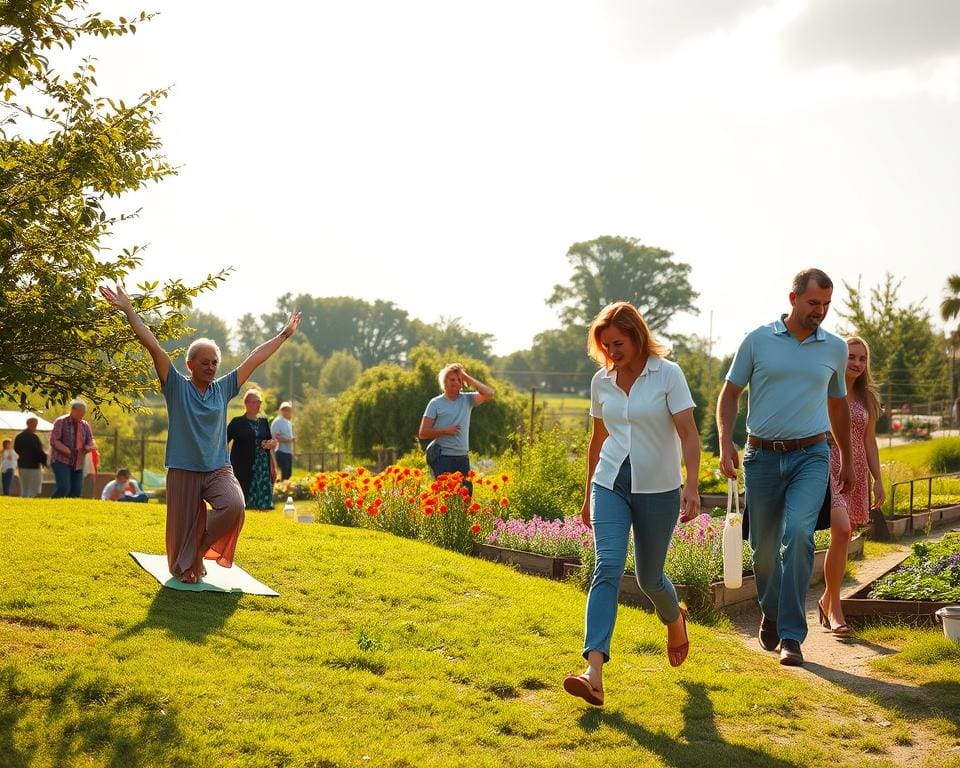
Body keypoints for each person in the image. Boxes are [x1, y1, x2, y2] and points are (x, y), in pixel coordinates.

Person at [100, 283, 301, 583]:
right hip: (183, 469)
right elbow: (153, 346)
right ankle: (189, 557)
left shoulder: (222, 389)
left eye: (214, 363)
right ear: (190, 365)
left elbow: (254, 358)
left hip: (218, 467)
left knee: (234, 506)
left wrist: (284, 335)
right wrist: (129, 310)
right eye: (204, 362)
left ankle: (199, 550)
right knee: (180, 568)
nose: (210, 366)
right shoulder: (176, 386)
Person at [563, 301, 701, 707]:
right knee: (606, 566)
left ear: (637, 335)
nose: (612, 352)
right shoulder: (601, 381)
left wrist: (691, 485)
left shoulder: (667, 375)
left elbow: (689, 434)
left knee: (650, 578)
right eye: (605, 346)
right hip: (610, 482)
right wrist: (588, 492)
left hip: (658, 487)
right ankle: (594, 672)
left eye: (618, 343)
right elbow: (598, 438)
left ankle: (675, 619)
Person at [716, 268, 854, 667]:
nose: (821, 311)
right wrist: (726, 442)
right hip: (760, 457)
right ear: (793, 298)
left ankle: (792, 635)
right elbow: (729, 395)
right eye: (814, 303)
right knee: (761, 551)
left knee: (798, 536)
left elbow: (838, 404)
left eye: (827, 304)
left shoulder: (834, 348)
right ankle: (773, 611)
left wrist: (844, 453)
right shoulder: (758, 340)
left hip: (811, 455)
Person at [819, 337, 884, 634]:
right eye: (851, 357)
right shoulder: (823, 389)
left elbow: (869, 441)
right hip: (827, 468)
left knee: (843, 538)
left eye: (862, 358)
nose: (857, 363)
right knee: (842, 532)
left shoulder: (867, 398)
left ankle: (826, 599)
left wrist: (878, 480)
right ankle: (836, 608)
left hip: (856, 472)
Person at [418, 363, 494, 497]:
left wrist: (465, 376)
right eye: (452, 379)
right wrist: (445, 431)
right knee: (445, 499)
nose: (455, 382)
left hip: (462, 458)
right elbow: (423, 433)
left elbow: (489, 393)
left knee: (466, 497)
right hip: (442, 458)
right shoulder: (435, 403)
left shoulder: (467, 399)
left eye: (459, 380)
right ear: (444, 382)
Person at [228, 389, 279, 510]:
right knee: (244, 498)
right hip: (243, 466)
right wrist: (225, 462)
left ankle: (263, 510)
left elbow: (270, 440)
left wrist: (272, 446)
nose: (258, 405)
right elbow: (223, 441)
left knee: (264, 503)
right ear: (247, 404)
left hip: (262, 466)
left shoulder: (264, 422)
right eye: (255, 402)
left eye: (260, 402)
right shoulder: (237, 422)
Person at [49, 400, 96, 498]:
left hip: (78, 462)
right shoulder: (60, 422)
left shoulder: (85, 425)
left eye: (83, 414)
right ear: (73, 410)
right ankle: (53, 505)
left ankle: (69, 510)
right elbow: (54, 440)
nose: (81, 416)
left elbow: (90, 440)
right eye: (79, 413)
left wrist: (89, 446)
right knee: (64, 487)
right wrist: (65, 450)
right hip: (61, 460)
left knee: (77, 490)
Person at [14, 417, 46, 498]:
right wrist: (44, 462)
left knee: (24, 487)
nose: (35, 426)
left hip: (22, 464)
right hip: (33, 466)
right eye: (34, 424)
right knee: (33, 488)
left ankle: (25, 501)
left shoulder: (19, 436)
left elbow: (16, 449)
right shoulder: (34, 438)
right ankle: (28, 501)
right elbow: (38, 452)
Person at [271, 401, 296, 480]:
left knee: (288, 474)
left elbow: (290, 438)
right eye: (286, 410)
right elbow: (276, 437)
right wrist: (289, 440)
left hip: (288, 452)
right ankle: (281, 491)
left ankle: (285, 490)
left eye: (289, 410)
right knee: (284, 474)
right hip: (280, 451)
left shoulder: (288, 422)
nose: (288, 412)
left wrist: (292, 451)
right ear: (281, 410)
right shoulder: (277, 421)